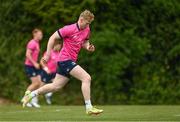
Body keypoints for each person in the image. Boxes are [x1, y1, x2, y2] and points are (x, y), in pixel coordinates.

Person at [23, 10, 103, 115]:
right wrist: (47, 55)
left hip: (67, 61)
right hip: (65, 60)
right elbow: (52, 38)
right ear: (81, 20)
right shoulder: (69, 29)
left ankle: (31, 94)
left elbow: (84, 41)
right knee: (86, 78)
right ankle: (89, 107)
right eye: (87, 23)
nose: (88, 25)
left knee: (55, 86)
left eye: (89, 24)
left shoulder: (87, 29)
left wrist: (88, 47)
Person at [21, 28, 43, 107]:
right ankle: (25, 98)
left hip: (34, 66)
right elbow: (27, 54)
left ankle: (33, 101)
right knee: (35, 83)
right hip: (30, 66)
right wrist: (34, 63)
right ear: (35, 34)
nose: (41, 36)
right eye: (40, 34)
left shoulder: (37, 43)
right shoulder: (32, 43)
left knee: (39, 83)